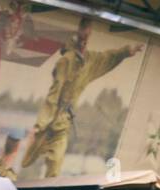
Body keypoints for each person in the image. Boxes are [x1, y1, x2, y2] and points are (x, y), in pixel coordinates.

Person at [21, 17, 143, 179]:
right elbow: (54, 93)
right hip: (49, 123)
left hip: (63, 125)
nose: (85, 39)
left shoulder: (89, 61)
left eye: (88, 35)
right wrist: (40, 125)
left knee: (54, 168)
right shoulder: (66, 61)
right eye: (83, 35)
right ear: (78, 35)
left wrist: (127, 51)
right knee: (27, 162)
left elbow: (106, 58)